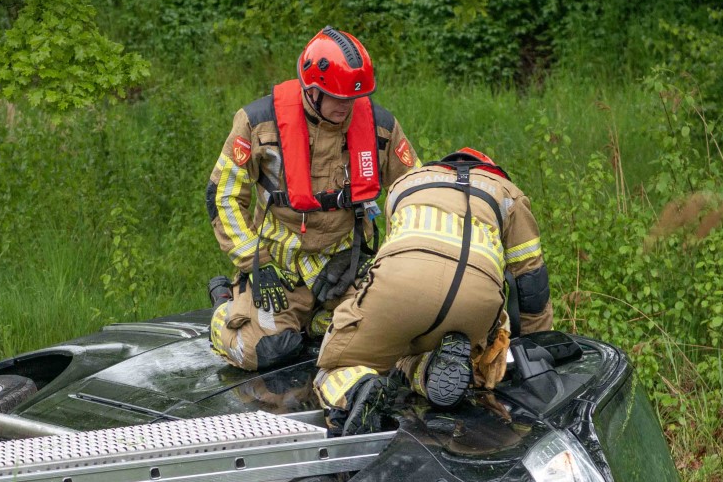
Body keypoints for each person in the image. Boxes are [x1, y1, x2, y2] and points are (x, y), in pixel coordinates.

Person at [205, 27, 417, 372]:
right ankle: (223, 310)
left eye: (352, 97)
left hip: (345, 268)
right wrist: (254, 263)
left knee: (390, 342)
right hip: (279, 270)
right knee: (265, 352)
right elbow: (223, 196)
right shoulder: (259, 125)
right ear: (310, 88)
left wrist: (385, 262)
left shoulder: (381, 127)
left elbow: (412, 195)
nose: (345, 107)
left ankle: (320, 323)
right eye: (335, 97)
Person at [313, 147, 552, 434]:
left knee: (336, 366)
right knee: (451, 356)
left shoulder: (406, 183)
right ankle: (431, 367)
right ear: (491, 170)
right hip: (475, 300)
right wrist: (539, 348)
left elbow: (392, 254)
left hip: (401, 285)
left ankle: (356, 389)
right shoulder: (508, 193)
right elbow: (531, 284)